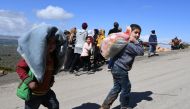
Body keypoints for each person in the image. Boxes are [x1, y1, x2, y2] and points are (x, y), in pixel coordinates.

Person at [16, 25, 66, 109]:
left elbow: (51, 72)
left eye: (53, 43)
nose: (51, 45)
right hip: (34, 94)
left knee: (54, 106)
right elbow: (19, 68)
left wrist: (51, 80)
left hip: (46, 92)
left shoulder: (53, 57)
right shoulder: (33, 57)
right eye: (48, 42)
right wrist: (29, 81)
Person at [100, 24, 144, 109]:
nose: (137, 35)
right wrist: (136, 42)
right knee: (126, 87)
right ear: (130, 32)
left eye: (139, 33)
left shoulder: (124, 41)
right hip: (120, 68)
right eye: (135, 32)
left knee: (117, 87)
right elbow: (141, 51)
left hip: (115, 67)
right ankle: (125, 106)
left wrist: (135, 41)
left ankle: (105, 106)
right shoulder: (128, 44)